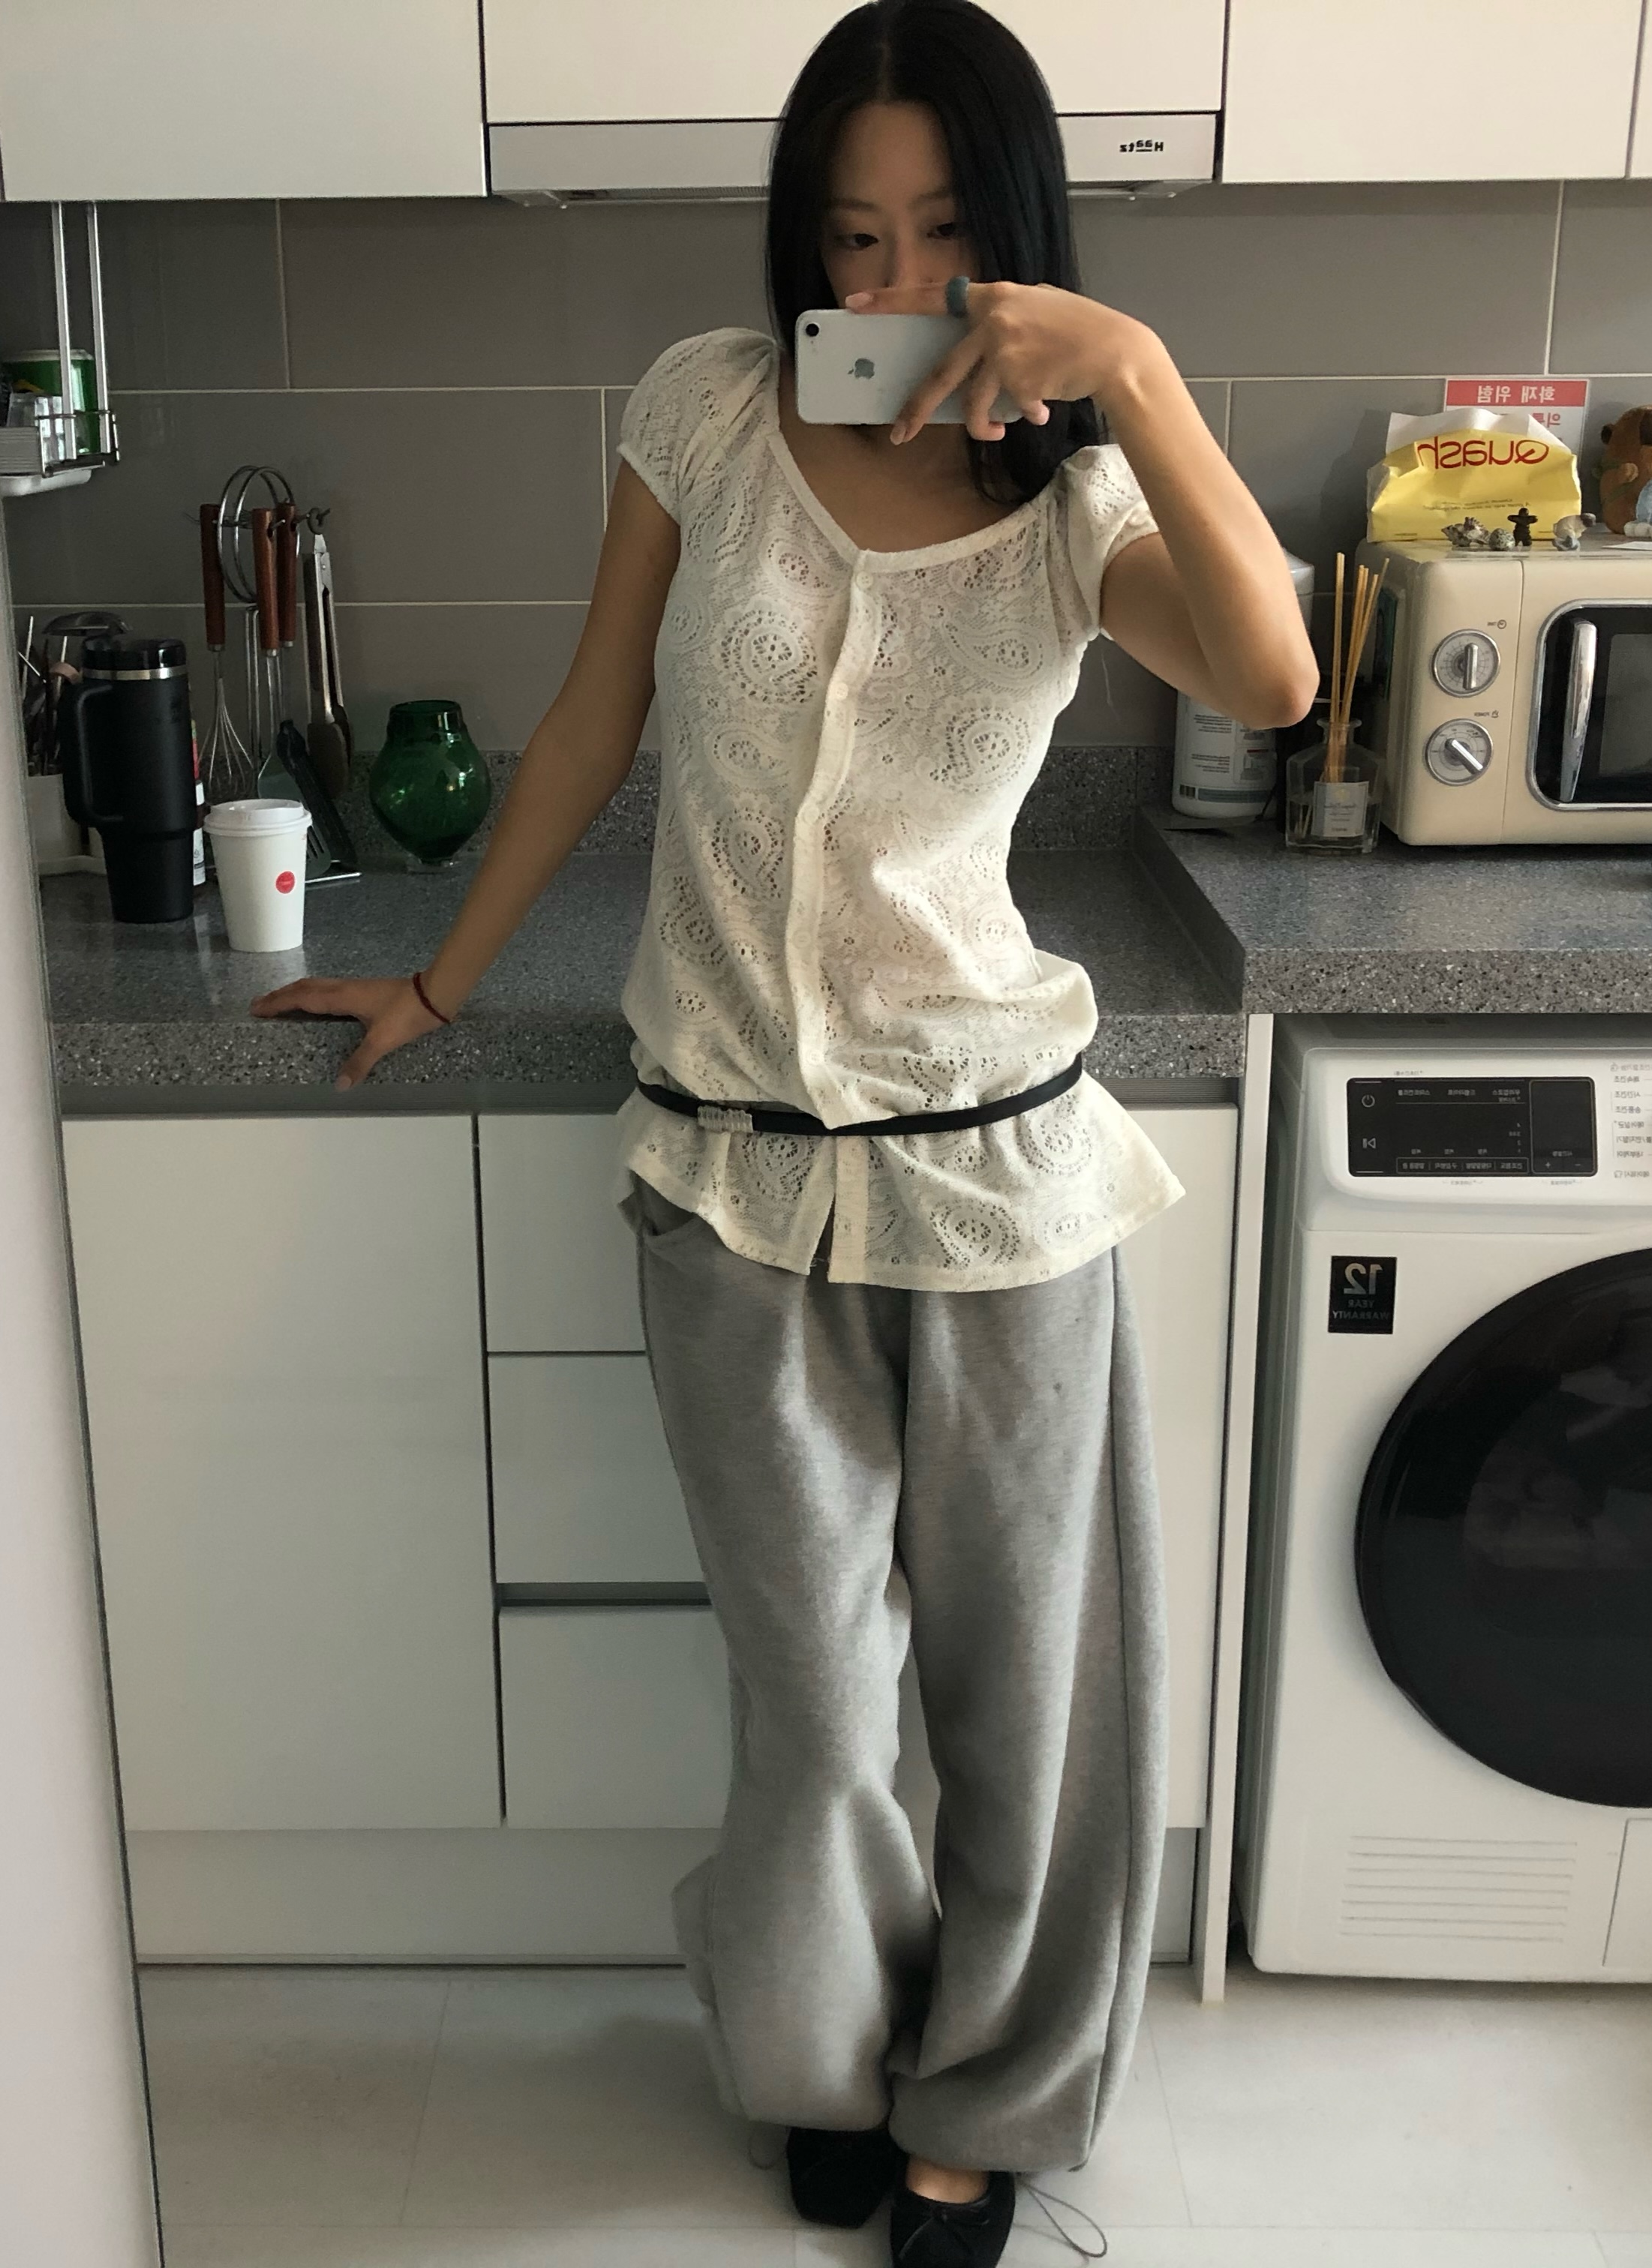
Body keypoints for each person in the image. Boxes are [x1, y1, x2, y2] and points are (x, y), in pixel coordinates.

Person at [258, 4, 1313, 2259]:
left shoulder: (1075, 503)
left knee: (1028, 1700)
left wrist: (1137, 376)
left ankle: (988, 2109)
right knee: (820, 1708)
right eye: (850, 235)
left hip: (991, 1166)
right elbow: (590, 719)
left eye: (941, 236)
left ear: (1017, 240)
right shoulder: (705, 411)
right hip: (730, 1173)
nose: (891, 284)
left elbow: (1270, 681)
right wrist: (440, 980)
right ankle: (830, 2058)